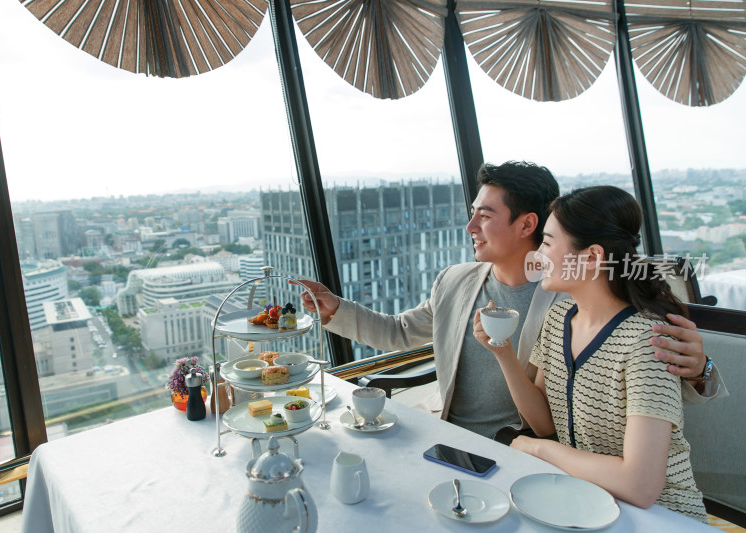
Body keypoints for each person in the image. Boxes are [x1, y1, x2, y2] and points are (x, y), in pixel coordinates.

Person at [298, 161, 726, 439]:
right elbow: (400, 332)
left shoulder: (572, 296)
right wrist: (336, 309)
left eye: (485, 215)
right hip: (447, 434)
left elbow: (631, 379)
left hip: (524, 446)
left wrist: (701, 370)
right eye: (472, 212)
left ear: (528, 225)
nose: (470, 226)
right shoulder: (456, 281)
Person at [473, 186, 706, 520]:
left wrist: (538, 449)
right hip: (589, 503)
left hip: (663, 517)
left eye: (548, 243)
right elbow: (542, 422)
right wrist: (502, 350)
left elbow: (641, 486)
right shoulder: (558, 319)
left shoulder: (648, 342)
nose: (537, 254)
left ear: (593, 256)